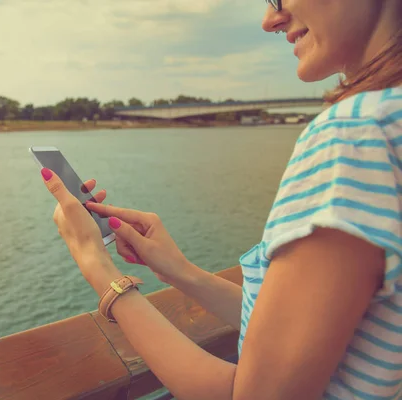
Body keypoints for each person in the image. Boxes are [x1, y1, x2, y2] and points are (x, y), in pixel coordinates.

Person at [39, 0, 402, 398]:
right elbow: (304, 334)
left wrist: (98, 267)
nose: (270, 20)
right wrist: (180, 271)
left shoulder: (355, 134)